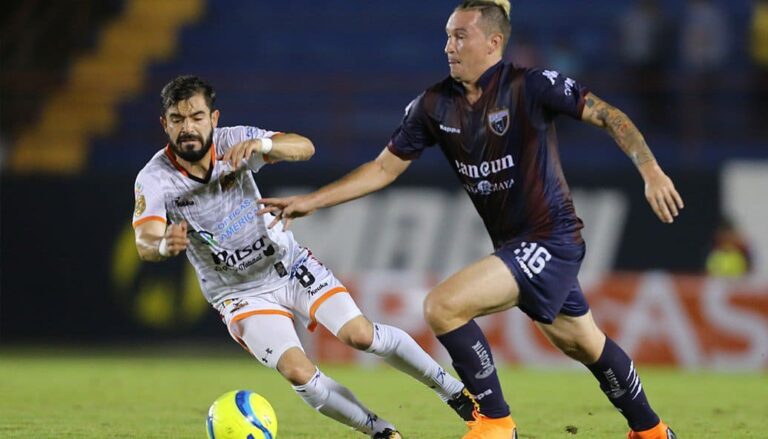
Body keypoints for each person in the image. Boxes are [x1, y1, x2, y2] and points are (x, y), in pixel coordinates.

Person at [257, 1, 683, 438]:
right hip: (514, 246)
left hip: (550, 239)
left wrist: (651, 172)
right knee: (583, 342)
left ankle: (496, 423)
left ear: (494, 42)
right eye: (448, 36)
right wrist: (314, 200)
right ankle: (652, 431)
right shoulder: (433, 105)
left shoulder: (530, 86)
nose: (449, 46)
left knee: (444, 306)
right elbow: (383, 168)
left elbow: (610, 116)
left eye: (461, 36)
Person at [132, 75, 477, 439]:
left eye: (196, 117)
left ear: (213, 118)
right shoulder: (154, 178)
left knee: (361, 336)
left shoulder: (234, 141)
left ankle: (455, 393)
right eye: (177, 119)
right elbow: (144, 239)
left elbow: (305, 147)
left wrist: (264, 144)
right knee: (298, 371)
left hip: (288, 266)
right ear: (165, 123)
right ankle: (381, 432)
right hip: (238, 293)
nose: (188, 128)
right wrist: (163, 245)